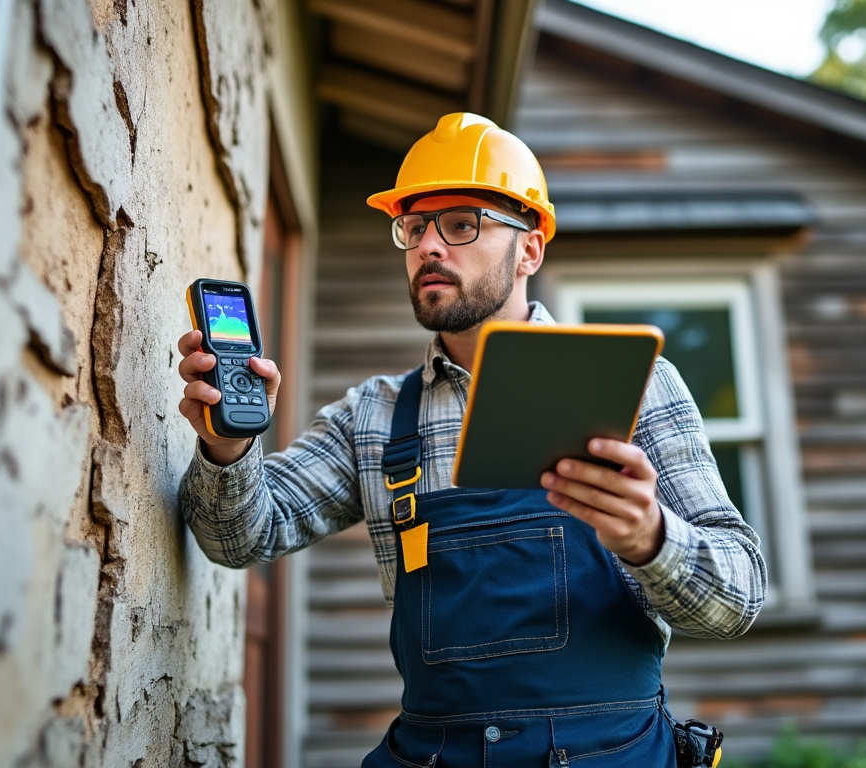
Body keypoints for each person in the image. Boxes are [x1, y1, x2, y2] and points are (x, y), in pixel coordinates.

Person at [176, 112, 766, 767]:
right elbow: (237, 536)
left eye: (462, 224)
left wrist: (650, 538)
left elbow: (736, 598)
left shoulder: (639, 387)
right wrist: (227, 446)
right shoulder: (373, 416)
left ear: (531, 249)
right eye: (414, 226)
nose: (429, 246)